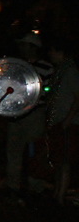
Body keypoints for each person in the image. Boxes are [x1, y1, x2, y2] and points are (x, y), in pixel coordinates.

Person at [3, 32, 53, 204]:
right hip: (16, 116)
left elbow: (49, 93)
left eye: (25, 45)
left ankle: (36, 187)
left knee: (35, 152)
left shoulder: (46, 68)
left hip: (35, 116)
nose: (21, 48)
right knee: (14, 152)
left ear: (33, 47)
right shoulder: (17, 66)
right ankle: (13, 187)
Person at [44, 36, 79, 205]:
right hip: (58, 120)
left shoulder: (71, 71)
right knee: (58, 159)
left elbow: (78, 97)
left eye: (52, 50)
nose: (49, 54)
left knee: (64, 160)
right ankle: (57, 192)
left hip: (67, 122)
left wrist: (68, 120)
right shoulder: (60, 71)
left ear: (59, 52)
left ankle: (60, 196)